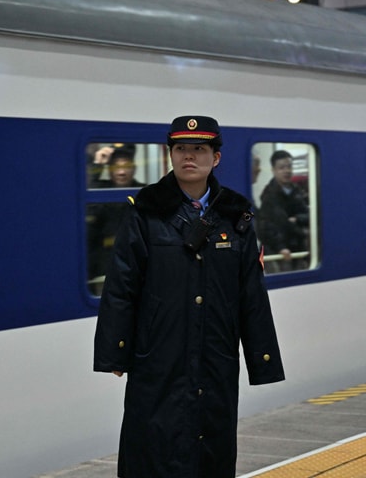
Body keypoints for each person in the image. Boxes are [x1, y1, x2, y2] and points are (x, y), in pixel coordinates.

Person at [93, 116, 285, 478]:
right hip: (158, 356)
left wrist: (262, 360)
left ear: (216, 158)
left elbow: (251, 295)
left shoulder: (235, 215)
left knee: (210, 445)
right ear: (170, 155)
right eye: (181, 148)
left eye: (199, 149)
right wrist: (114, 350)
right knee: (152, 446)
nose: (189, 157)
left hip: (216, 356)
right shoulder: (145, 211)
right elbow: (121, 284)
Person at [86, 147, 145, 293]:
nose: (121, 172)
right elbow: (88, 213)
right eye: (116, 167)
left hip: (135, 267)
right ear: (109, 170)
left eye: (126, 167)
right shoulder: (99, 189)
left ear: (134, 169)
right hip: (103, 268)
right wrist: (97, 165)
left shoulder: (144, 192)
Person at [257, 149, 310, 272]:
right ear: (273, 170)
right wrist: (280, 247)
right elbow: (266, 227)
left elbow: (309, 215)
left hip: (297, 248)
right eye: (281, 168)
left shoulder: (297, 191)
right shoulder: (268, 195)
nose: (287, 171)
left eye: (289, 167)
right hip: (277, 252)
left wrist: (297, 219)